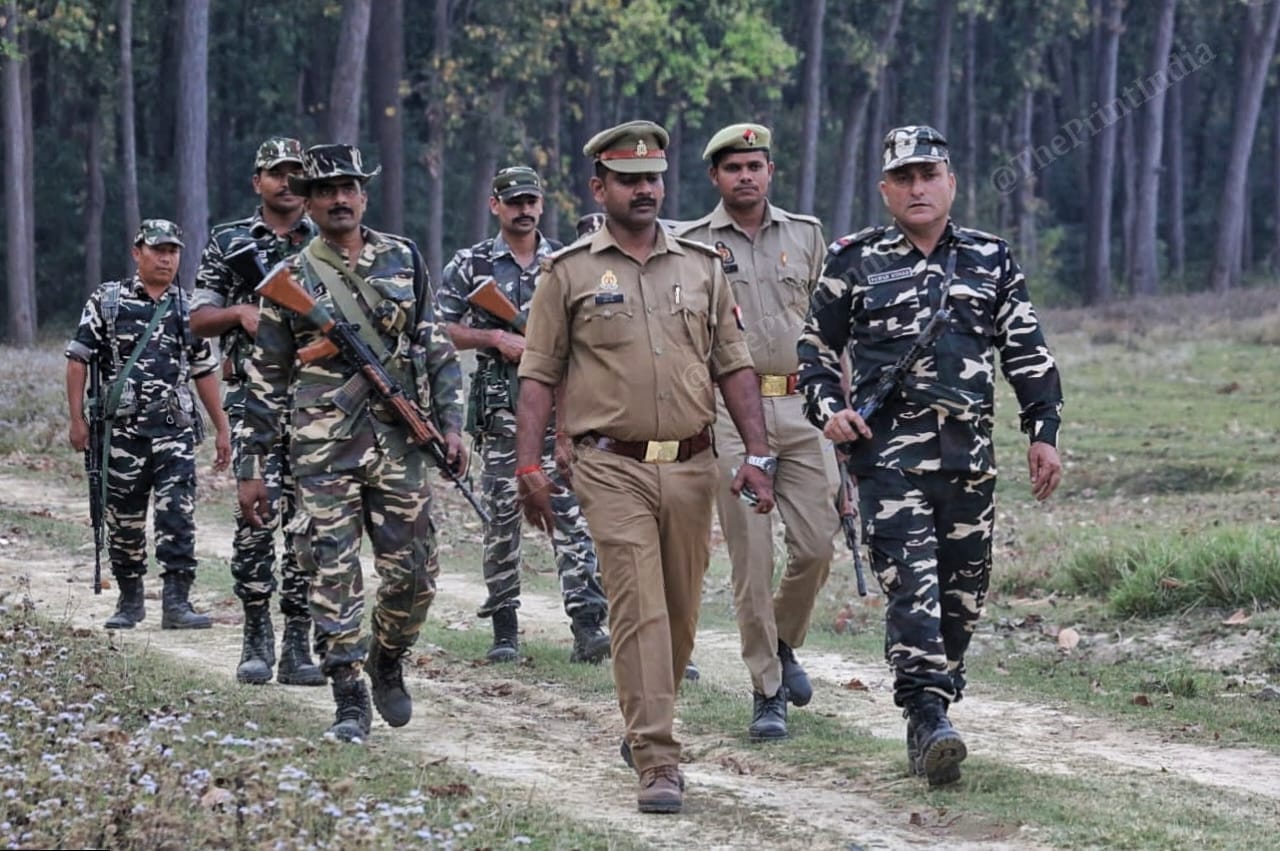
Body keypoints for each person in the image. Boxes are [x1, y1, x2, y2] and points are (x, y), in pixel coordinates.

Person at [515, 120, 777, 815]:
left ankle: (644, 716)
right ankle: (658, 756)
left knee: (682, 612)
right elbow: (539, 375)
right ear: (599, 186)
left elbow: (735, 365)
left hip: (693, 464)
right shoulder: (567, 271)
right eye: (628, 179)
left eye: (653, 178)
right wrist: (529, 465)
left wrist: (756, 452)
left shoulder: (701, 263)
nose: (644, 190)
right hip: (610, 466)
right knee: (639, 605)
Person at [796, 125, 1063, 786]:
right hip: (886, 461)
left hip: (969, 460)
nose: (918, 187)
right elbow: (815, 353)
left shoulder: (990, 258)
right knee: (911, 586)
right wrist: (829, 409)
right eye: (904, 177)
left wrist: (1044, 429)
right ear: (886, 189)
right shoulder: (853, 260)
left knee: (961, 600)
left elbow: (1026, 351)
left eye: (929, 175)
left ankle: (938, 698)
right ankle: (927, 718)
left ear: (951, 183)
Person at [236, 144, 466, 743]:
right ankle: (348, 693)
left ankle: (387, 657)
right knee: (330, 570)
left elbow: (434, 345)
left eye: (350, 187)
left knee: (415, 575)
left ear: (364, 195)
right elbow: (265, 378)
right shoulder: (291, 278)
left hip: (399, 440)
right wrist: (251, 465)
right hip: (321, 448)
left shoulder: (403, 258)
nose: (340, 198)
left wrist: (453, 424)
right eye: (327, 189)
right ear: (310, 201)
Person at [674, 123, 837, 741]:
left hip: (802, 410)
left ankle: (784, 641)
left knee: (817, 547)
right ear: (715, 177)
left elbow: (829, 331)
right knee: (752, 556)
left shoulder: (807, 235)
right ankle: (765, 690)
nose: (747, 175)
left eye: (756, 165)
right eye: (734, 167)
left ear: (771, 171)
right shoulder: (692, 245)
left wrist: (839, 411)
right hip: (731, 417)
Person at [435, 166, 609, 664]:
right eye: (514, 202)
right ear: (495, 205)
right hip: (499, 411)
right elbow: (438, 329)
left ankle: (587, 625)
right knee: (502, 521)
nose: (524, 209)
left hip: (560, 409)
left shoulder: (565, 262)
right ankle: (505, 629)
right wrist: (494, 337)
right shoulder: (471, 264)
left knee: (571, 518)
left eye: (531, 200)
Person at [192, 136, 326, 688]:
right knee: (256, 515)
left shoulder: (327, 241)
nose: (287, 182)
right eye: (277, 173)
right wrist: (241, 312)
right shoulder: (229, 243)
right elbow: (197, 317)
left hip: (319, 401)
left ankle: (298, 640)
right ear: (258, 182)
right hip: (253, 402)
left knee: (311, 522)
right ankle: (255, 634)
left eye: (296, 173)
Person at [66, 219, 231, 631]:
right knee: (124, 518)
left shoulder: (187, 307)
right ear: (137, 252)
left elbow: (203, 369)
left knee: (178, 515)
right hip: (120, 433)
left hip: (173, 430)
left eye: (173, 251)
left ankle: (177, 602)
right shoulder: (108, 301)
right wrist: (76, 420)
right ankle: (129, 601)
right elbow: (78, 358)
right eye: (157, 250)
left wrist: (222, 428)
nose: (166, 258)